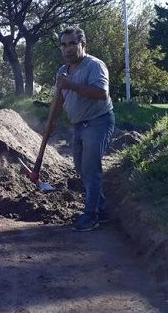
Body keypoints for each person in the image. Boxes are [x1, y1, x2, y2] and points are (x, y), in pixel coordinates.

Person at [50, 27, 114, 232]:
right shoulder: (62, 71)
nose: (67, 49)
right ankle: (101, 207)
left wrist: (70, 84)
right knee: (80, 167)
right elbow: (59, 98)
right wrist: (51, 122)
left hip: (98, 121)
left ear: (83, 45)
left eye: (72, 44)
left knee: (90, 168)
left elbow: (101, 93)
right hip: (78, 124)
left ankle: (91, 216)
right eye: (64, 44)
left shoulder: (94, 66)